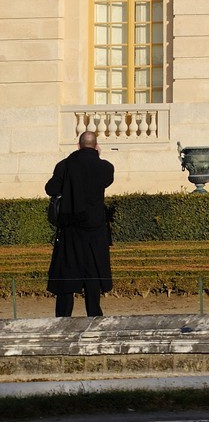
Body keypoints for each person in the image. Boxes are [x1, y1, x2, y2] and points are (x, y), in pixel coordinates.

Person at [45, 129, 114, 318]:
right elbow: (106, 181)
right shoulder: (105, 167)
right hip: (95, 230)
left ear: (78, 145)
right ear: (96, 146)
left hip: (71, 230)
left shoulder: (65, 165)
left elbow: (50, 188)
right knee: (92, 274)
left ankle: (63, 318)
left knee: (67, 274)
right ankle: (93, 315)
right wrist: (97, 158)